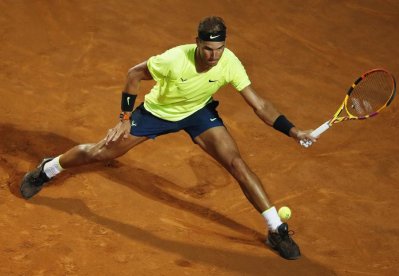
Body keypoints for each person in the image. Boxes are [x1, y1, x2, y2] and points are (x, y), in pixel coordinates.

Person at [20, 16, 316, 260]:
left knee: (237, 164)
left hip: (198, 113)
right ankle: (47, 169)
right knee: (101, 153)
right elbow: (134, 74)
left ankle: (275, 229)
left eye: (220, 49)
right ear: (198, 42)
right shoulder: (173, 60)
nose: (214, 56)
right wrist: (124, 118)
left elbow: (260, 105)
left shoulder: (229, 62)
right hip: (156, 113)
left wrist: (293, 131)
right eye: (208, 49)